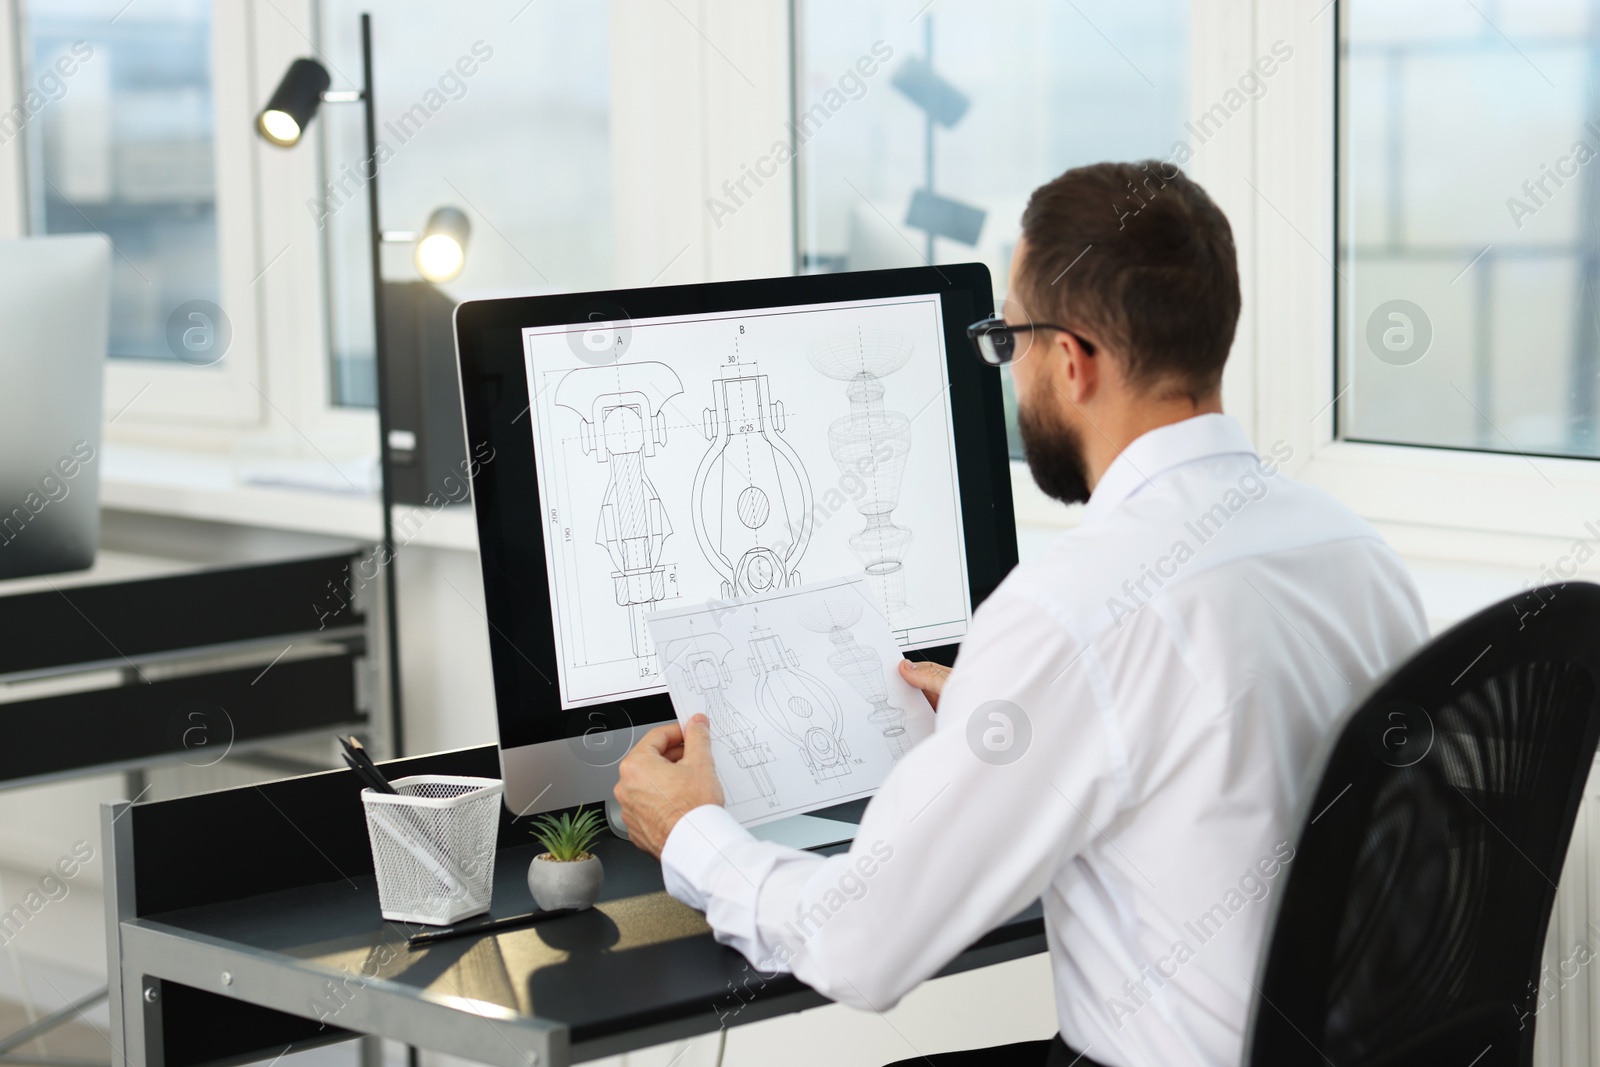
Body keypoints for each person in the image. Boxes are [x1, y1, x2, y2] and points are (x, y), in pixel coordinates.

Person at [612, 160, 1428, 1067]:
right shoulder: (1354, 552)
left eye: (1012, 342)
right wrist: (995, 712)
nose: (1012, 369)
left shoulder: (1072, 611)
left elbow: (860, 945)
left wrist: (691, 831)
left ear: (1071, 360)